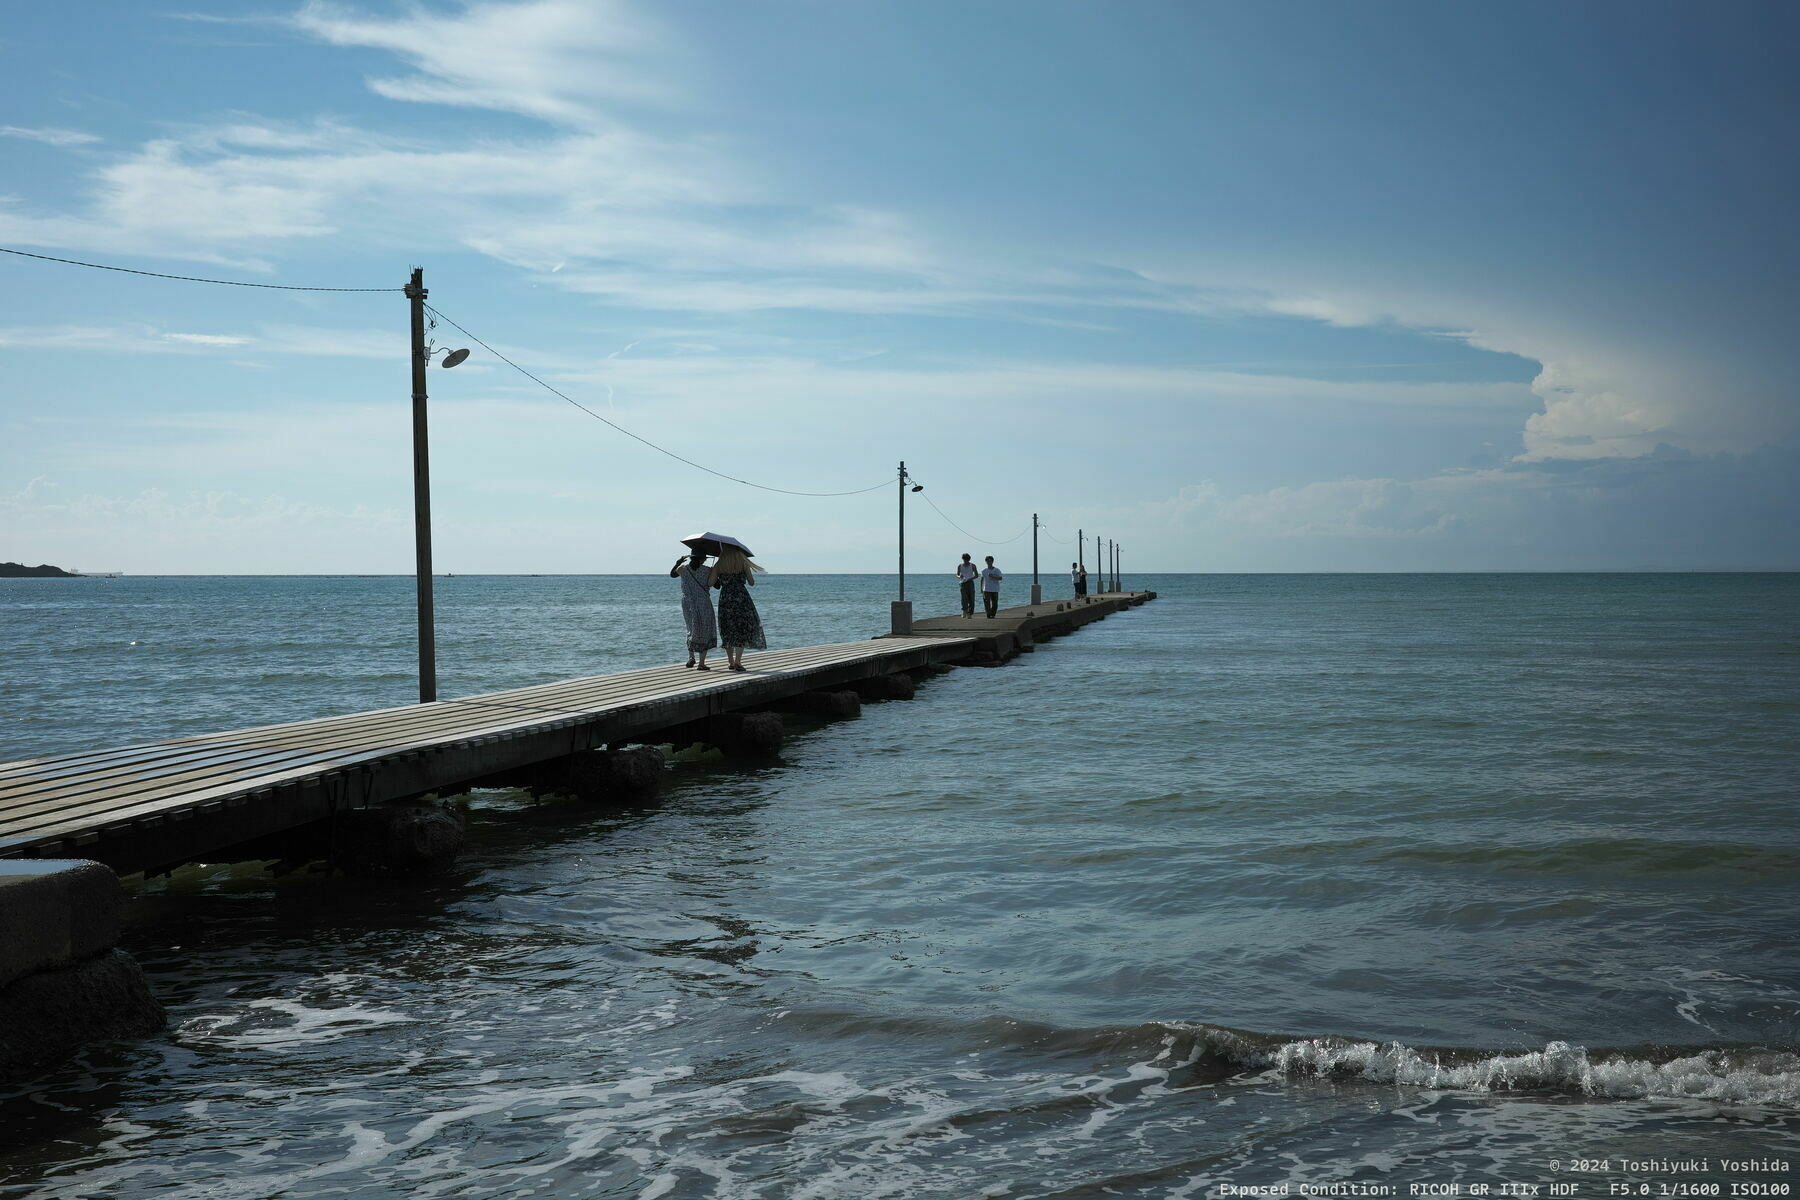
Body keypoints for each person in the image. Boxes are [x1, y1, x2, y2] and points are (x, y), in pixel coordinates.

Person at [707, 547, 767, 672]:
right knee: (741, 629)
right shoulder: (743, 563)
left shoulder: (719, 565)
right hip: (741, 598)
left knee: (727, 628)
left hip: (726, 600)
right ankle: (738, 662)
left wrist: (714, 572)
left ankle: (730, 662)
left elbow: (710, 583)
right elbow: (751, 582)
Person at [669, 551, 716, 670]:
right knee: (705, 629)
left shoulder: (682, 569)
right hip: (703, 602)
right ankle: (701, 663)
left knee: (691, 628)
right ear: (702, 559)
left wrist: (678, 563)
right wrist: (715, 571)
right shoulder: (707, 570)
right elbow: (717, 585)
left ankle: (691, 657)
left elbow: (672, 575)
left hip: (687, 603)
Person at [954, 552, 979, 617]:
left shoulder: (973, 565)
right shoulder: (960, 566)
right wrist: (960, 576)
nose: (965, 560)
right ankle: (964, 611)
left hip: (970, 582)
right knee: (964, 598)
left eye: (967, 559)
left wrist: (970, 578)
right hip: (962, 583)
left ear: (969, 559)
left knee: (971, 598)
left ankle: (969, 613)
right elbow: (957, 574)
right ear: (962, 559)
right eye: (964, 559)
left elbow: (976, 575)